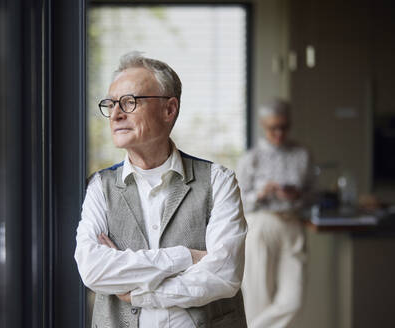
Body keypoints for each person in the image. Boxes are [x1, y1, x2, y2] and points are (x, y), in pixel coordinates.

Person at [74, 52, 247, 328]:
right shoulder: (99, 186)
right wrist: (186, 257)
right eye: (111, 104)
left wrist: (140, 294)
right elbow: (93, 270)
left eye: (129, 102)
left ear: (169, 109)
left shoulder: (219, 181)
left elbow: (224, 275)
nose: (116, 114)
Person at [236, 99, 315, 328]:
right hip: (261, 225)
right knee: (258, 299)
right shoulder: (251, 158)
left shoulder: (302, 154)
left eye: (284, 127)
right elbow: (237, 203)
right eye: (273, 128)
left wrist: (298, 195)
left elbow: (314, 193)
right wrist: (261, 194)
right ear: (263, 125)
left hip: (293, 226)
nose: (279, 133)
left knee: (293, 300)